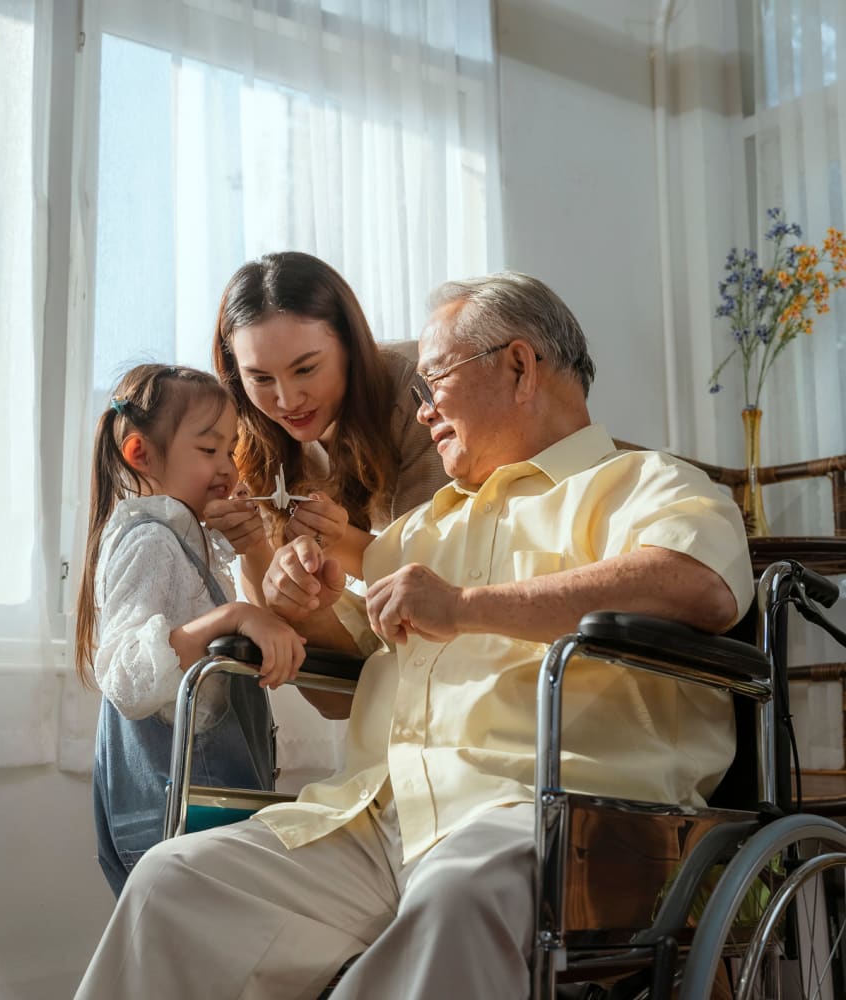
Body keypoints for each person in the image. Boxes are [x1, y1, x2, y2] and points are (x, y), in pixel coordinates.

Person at [74, 274, 753, 997]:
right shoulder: (421, 529)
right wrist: (295, 597)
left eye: (433, 384)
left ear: (520, 366)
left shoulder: (646, 483)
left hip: (543, 811)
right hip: (372, 816)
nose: (422, 410)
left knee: (457, 900)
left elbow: (697, 585)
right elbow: (344, 677)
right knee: (173, 883)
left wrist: (463, 605)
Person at [74, 364, 307, 897]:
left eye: (230, 450)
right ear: (141, 455)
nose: (227, 466)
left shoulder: (182, 544)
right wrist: (233, 617)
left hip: (204, 813)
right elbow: (129, 678)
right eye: (209, 451)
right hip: (175, 818)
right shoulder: (149, 543)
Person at [205, 251, 450, 594]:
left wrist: (341, 541)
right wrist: (252, 545)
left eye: (305, 369)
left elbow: (436, 571)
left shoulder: (420, 395)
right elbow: (274, 610)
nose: (287, 401)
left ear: (351, 345)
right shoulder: (250, 429)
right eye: (260, 378)